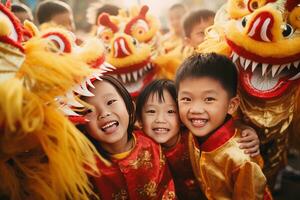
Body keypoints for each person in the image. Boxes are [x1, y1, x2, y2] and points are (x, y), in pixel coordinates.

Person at [136, 79, 262, 200]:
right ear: (140, 120)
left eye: (170, 111)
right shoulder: (139, 147)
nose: (160, 119)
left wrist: (245, 129)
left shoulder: (195, 135)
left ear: (182, 116)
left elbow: (220, 125)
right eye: (151, 111)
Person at [175, 53, 272, 199]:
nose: (195, 109)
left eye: (209, 99)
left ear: (231, 105)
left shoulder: (241, 159)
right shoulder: (189, 132)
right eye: (186, 99)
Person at [78, 75, 176, 200]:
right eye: (89, 110)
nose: (104, 113)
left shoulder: (151, 145)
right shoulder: (86, 167)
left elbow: (166, 188)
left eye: (110, 102)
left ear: (130, 107)